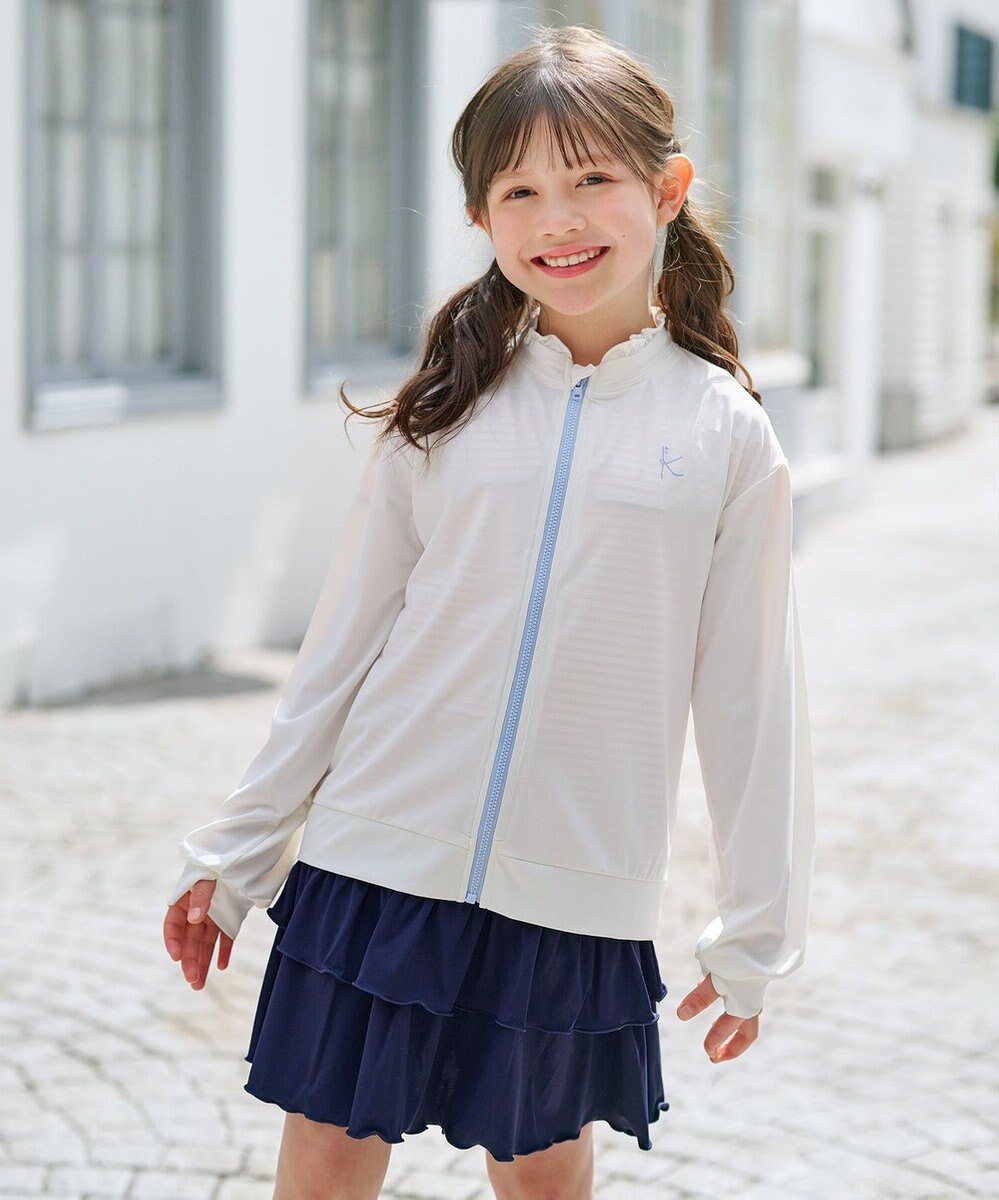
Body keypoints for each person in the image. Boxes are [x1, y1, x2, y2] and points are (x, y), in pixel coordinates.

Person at [162, 23, 815, 1200]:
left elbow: (752, 703)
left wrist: (757, 932)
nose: (558, 219)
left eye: (593, 179)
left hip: (575, 890)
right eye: (519, 191)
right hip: (375, 860)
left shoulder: (726, 435)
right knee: (323, 1164)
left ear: (667, 188)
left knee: (545, 1180)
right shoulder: (446, 409)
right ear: (481, 218)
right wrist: (241, 853)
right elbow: (340, 652)